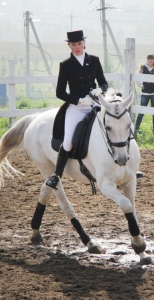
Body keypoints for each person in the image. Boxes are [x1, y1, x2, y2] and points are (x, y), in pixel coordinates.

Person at [45, 30, 108, 190]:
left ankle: (125, 166)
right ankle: (56, 175)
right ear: (69, 46)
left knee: (112, 127)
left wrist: (99, 90)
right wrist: (79, 100)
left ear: (84, 43)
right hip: (76, 107)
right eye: (74, 44)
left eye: (79, 43)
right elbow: (60, 92)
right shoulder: (65, 65)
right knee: (67, 142)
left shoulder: (94, 60)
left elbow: (103, 83)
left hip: (94, 104)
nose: (77, 47)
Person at [135, 54, 154, 133]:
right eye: (149, 58)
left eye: (152, 58)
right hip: (145, 93)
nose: (150, 60)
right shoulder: (143, 68)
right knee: (141, 111)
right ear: (147, 59)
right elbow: (138, 78)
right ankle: (136, 128)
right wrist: (140, 85)